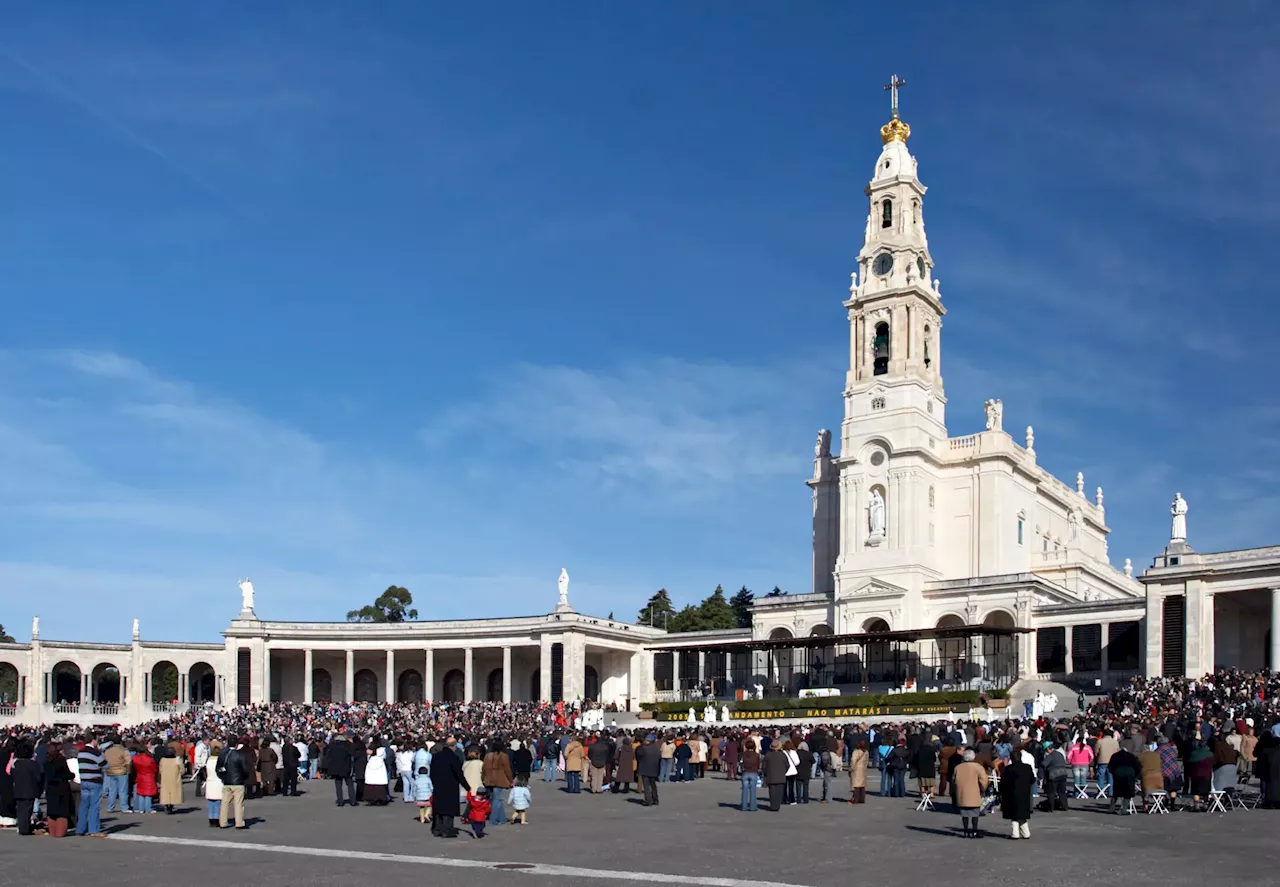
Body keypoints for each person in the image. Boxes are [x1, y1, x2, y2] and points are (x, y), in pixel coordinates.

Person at [430, 738, 469, 838]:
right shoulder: (454, 757)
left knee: (438, 808)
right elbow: (459, 774)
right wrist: (467, 787)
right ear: (454, 745)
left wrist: (434, 782)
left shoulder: (436, 756)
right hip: (450, 785)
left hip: (438, 785)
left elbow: (432, 772)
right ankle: (447, 830)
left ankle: (437, 829)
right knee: (448, 810)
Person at [952, 749, 990, 839]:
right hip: (974, 792)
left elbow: (953, 781)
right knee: (975, 813)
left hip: (962, 793)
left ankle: (965, 831)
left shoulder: (958, 767)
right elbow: (984, 780)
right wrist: (983, 789)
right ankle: (974, 831)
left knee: (964, 814)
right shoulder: (978, 767)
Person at [1000, 745, 1035, 840]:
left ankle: (1015, 833)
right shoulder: (1027, 767)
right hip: (1025, 793)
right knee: (1023, 813)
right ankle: (1026, 833)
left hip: (1011, 793)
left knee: (1014, 814)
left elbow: (1003, 782)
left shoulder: (1008, 769)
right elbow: (1033, 780)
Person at [75, 734, 107, 837]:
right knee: (94, 806)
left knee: (84, 805)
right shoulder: (95, 752)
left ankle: (80, 828)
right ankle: (94, 830)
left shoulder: (81, 752)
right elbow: (105, 764)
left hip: (84, 780)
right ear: (94, 740)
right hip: (94, 780)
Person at [43, 741, 75, 838]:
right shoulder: (61, 760)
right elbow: (66, 774)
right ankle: (60, 832)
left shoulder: (46, 761)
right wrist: (72, 775)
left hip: (50, 787)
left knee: (51, 811)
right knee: (62, 812)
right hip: (61, 787)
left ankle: (52, 831)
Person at [217, 736, 250, 829]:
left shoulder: (223, 754)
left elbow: (218, 768)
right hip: (238, 781)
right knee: (238, 803)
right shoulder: (240, 755)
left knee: (225, 803)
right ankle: (239, 822)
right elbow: (245, 769)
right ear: (236, 744)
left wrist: (222, 777)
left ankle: (223, 822)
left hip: (227, 781)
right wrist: (244, 778)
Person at [10, 740, 42, 836]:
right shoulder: (32, 764)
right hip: (30, 789)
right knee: (28, 810)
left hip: (18, 789)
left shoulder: (16, 763)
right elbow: (38, 777)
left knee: (20, 810)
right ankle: (25, 828)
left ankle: (21, 827)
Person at [324, 733, 357, 807]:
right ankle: (353, 800)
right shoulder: (347, 745)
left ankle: (340, 801)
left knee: (338, 785)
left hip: (335, 768)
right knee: (350, 784)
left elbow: (327, 754)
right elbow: (353, 753)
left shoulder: (332, 746)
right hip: (346, 767)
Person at [102, 734, 133, 815]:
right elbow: (128, 761)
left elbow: (104, 760)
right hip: (121, 771)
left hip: (110, 771)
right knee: (123, 790)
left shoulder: (108, 750)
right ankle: (124, 807)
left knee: (112, 790)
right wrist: (128, 770)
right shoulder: (123, 750)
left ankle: (110, 807)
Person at [635, 734, 661, 807]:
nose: (645, 741)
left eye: (647, 740)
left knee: (647, 786)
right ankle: (655, 799)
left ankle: (648, 800)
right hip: (654, 768)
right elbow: (659, 757)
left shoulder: (643, 748)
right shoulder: (656, 748)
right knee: (653, 785)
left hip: (644, 768)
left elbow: (638, 756)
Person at [131, 743, 158, 814]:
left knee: (141, 793)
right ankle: (148, 808)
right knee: (148, 794)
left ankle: (141, 808)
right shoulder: (149, 759)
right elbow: (154, 768)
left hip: (139, 776)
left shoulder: (135, 758)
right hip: (149, 776)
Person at [158, 742, 184, 814]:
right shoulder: (177, 760)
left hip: (165, 779)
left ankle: (166, 805)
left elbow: (160, 769)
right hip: (174, 779)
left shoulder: (162, 760)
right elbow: (182, 770)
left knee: (166, 792)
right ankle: (171, 806)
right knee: (173, 793)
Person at [764, 740, 789, 812]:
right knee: (779, 792)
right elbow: (787, 765)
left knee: (772, 792)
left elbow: (764, 766)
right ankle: (777, 805)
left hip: (771, 776)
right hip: (781, 776)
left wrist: (766, 773)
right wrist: (784, 771)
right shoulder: (783, 755)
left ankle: (773, 805)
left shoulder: (768, 754)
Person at [203, 740, 224, 828]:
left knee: (211, 802)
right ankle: (217, 819)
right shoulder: (220, 761)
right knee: (218, 802)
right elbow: (223, 771)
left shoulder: (208, 760)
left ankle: (211, 819)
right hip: (218, 782)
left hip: (210, 781)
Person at [739, 738, 761, 811]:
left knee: (744, 790)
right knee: (753, 790)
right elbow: (758, 764)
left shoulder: (743, 754)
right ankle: (753, 806)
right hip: (753, 772)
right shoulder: (756, 755)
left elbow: (741, 763)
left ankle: (744, 806)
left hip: (745, 772)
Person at [848, 740, 868, 804]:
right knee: (862, 785)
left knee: (856, 784)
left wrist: (851, 768)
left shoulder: (856, 752)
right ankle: (861, 799)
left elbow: (853, 761)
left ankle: (855, 799)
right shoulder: (866, 752)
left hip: (857, 769)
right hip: (863, 769)